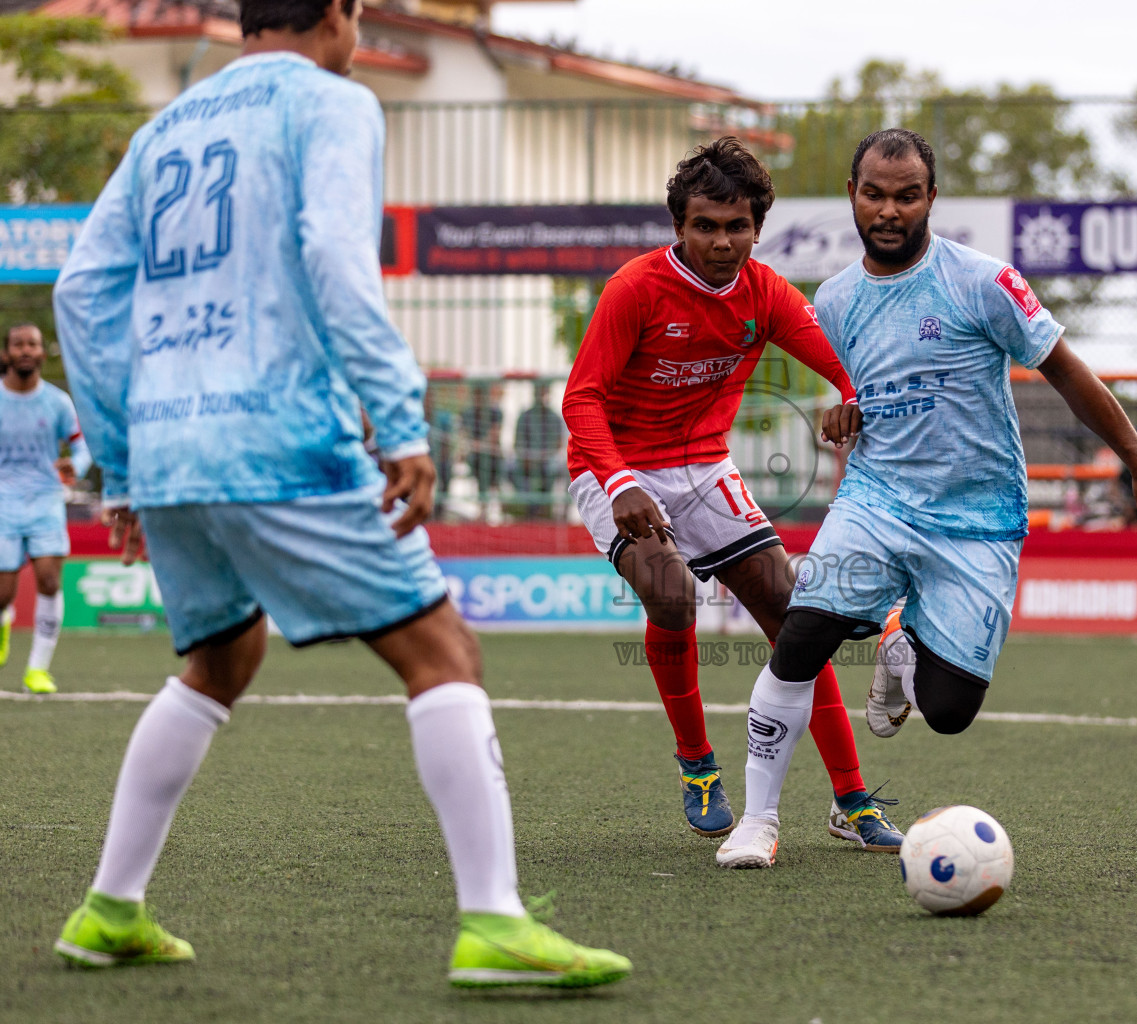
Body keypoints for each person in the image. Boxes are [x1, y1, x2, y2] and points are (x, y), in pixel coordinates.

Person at [49, 0, 628, 988]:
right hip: (281, 439)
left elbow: (79, 294)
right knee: (442, 649)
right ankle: (495, 923)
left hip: (171, 444)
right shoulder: (332, 100)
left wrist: (125, 467)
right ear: (337, 14)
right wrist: (400, 420)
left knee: (221, 657)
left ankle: (109, 909)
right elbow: (332, 253)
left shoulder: (164, 128)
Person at [713, 129, 1137, 870]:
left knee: (950, 712)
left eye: (907, 196)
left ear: (931, 198)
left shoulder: (984, 283)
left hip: (977, 517)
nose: (889, 211)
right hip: (876, 500)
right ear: (852, 196)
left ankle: (899, 647)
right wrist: (844, 409)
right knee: (798, 641)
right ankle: (758, 821)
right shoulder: (834, 300)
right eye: (874, 195)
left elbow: (1066, 370)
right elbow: (853, 389)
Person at [562, 137, 903, 854]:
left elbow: (841, 362)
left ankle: (851, 799)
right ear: (679, 226)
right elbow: (581, 400)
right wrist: (619, 482)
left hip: (703, 466)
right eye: (706, 226)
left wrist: (849, 394)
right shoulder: (634, 289)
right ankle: (697, 765)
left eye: (737, 227)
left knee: (798, 618)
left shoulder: (766, 293)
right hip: (613, 465)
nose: (722, 242)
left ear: (757, 227)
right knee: (671, 595)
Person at [0, 323, 91, 694]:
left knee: (50, 581)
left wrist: (76, 466)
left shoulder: (57, 402)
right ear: (6, 353)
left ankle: (37, 670)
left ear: (41, 352)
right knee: (3, 594)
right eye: (18, 344)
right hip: (3, 503)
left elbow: (82, 446)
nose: (25, 350)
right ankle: (4, 620)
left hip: (46, 501)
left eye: (32, 344)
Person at [511, 380, 565, 511]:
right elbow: (517, 444)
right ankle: (525, 505)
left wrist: (543, 457)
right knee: (509, 468)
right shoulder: (524, 416)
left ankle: (545, 507)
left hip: (547, 460)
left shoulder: (554, 418)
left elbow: (558, 445)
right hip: (526, 461)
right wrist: (527, 458)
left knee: (557, 467)